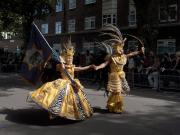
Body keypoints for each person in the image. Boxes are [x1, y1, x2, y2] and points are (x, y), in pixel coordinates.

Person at [28, 40, 94, 120]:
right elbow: (56, 66)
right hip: (63, 84)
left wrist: (90, 66)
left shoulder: (72, 67)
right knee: (58, 99)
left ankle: (72, 113)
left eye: (71, 58)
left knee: (72, 101)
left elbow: (81, 68)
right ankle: (54, 112)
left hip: (72, 84)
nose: (70, 59)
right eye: (68, 58)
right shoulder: (60, 66)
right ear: (65, 58)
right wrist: (61, 63)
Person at [93, 24, 145, 113]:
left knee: (119, 92)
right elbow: (104, 64)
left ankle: (115, 107)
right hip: (114, 76)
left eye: (121, 48)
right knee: (116, 91)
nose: (121, 49)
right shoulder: (111, 57)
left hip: (121, 76)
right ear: (115, 48)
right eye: (119, 48)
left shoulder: (123, 56)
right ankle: (114, 107)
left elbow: (131, 54)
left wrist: (140, 51)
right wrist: (98, 67)